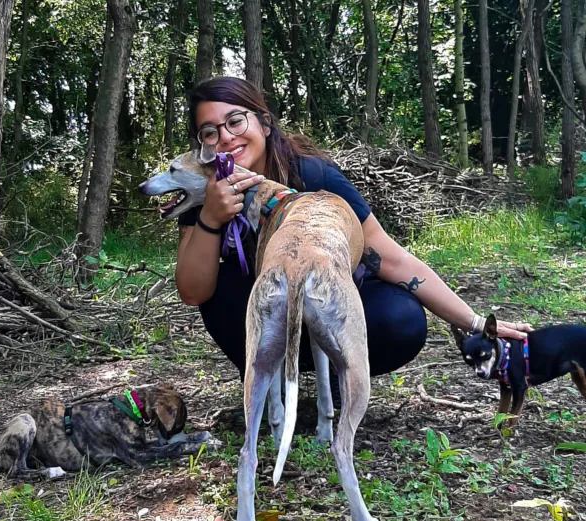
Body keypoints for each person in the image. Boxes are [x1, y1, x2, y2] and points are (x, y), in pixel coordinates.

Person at [175, 76, 531, 382]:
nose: (224, 137)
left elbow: (391, 259)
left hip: (331, 303)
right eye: (210, 131)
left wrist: (475, 322)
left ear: (264, 124)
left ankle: (341, 378)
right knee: (219, 288)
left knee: (401, 317)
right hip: (268, 314)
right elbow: (194, 291)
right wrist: (210, 216)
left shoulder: (312, 176)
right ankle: (267, 383)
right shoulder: (202, 190)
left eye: (236, 121)